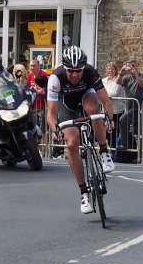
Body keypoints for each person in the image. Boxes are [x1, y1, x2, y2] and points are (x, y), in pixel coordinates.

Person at [46, 46, 115, 214]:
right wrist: (55, 129)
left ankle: (104, 151)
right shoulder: (56, 77)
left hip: (86, 94)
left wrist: (110, 119)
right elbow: (51, 113)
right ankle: (84, 191)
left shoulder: (90, 72)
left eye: (78, 71)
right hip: (66, 103)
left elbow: (106, 101)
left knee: (93, 110)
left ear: (83, 68)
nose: (75, 74)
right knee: (72, 144)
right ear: (65, 67)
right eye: (71, 71)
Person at [101, 62, 128, 151]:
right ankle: (106, 150)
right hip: (105, 111)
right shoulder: (103, 81)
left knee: (114, 133)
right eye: (109, 69)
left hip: (116, 111)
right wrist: (104, 95)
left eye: (112, 69)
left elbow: (114, 93)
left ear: (115, 70)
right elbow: (98, 92)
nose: (110, 71)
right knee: (105, 132)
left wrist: (103, 95)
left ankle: (113, 151)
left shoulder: (118, 80)